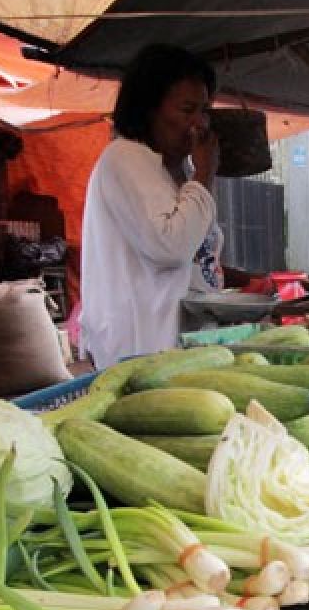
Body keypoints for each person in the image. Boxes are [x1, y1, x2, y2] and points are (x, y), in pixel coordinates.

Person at [80, 44, 220, 369]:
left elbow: (197, 252)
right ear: (149, 110)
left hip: (181, 347)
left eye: (204, 110)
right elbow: (169, 246)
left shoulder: (177, 171)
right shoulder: (125, 158)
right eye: (187, 111)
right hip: (140, 350)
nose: (199, 124)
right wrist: (204, 175)